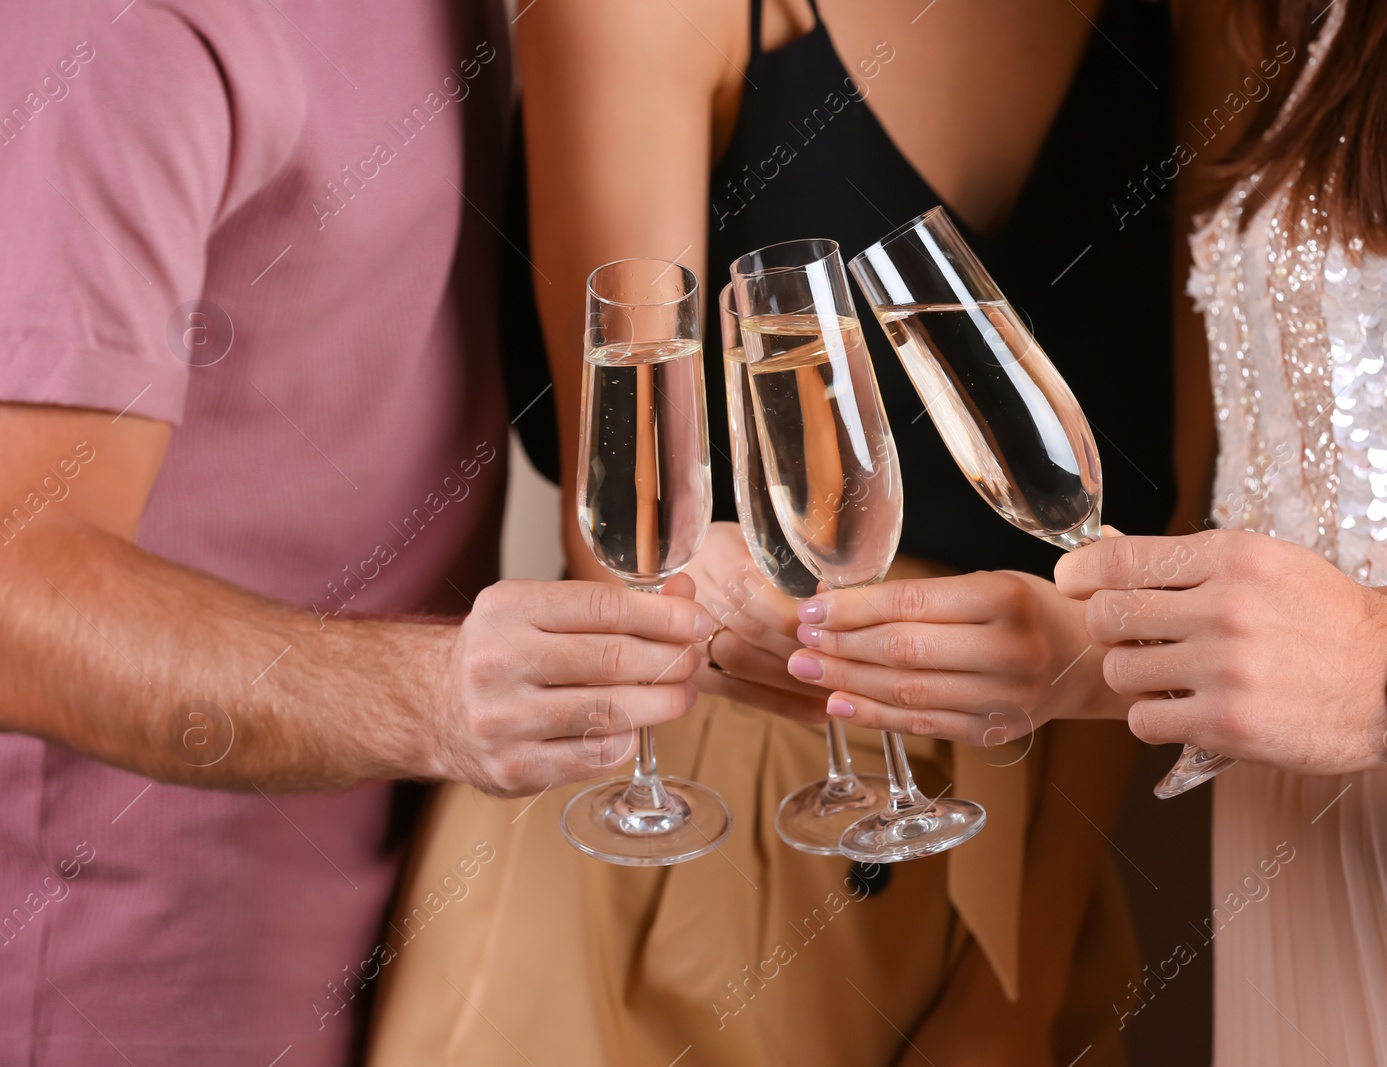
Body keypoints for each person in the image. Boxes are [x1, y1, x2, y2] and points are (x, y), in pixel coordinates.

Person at [365, 0, 1182, 1064]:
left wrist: (1016, 982)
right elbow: (636, 546)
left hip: (1033, 841)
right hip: (698, 856)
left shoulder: (1202, 25)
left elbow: (1147, 561)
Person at [797, 0, 1387, 1061]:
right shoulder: (1260, 30)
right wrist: (1080, 648)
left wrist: (1379, 666)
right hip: (1280, 826)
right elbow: (1228, 524)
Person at [0, 3, 710, 1064]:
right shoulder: (116, 29)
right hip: (123, 961)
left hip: (380, 896)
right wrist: (428, 696)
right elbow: (16, 582)